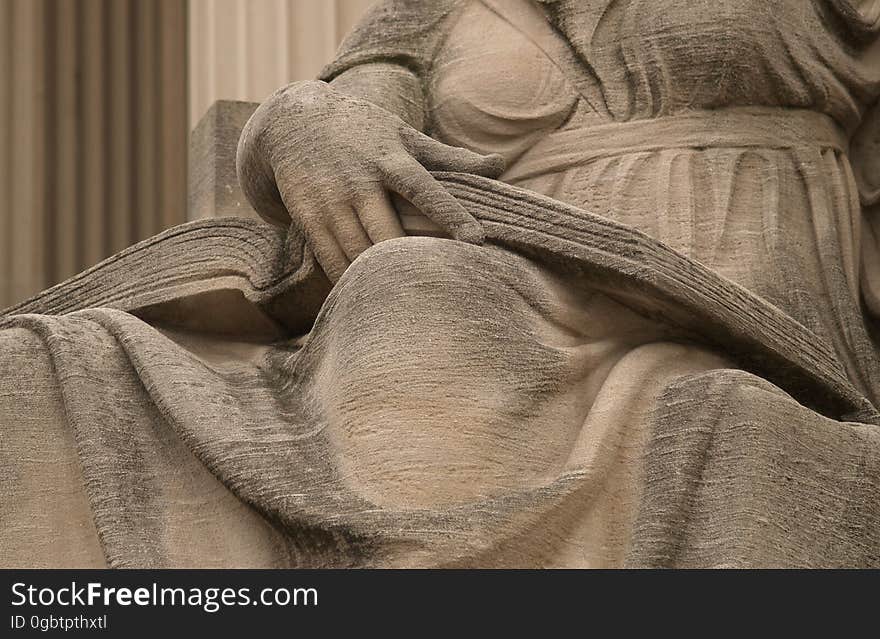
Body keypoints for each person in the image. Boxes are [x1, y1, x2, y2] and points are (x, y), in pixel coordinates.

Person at [2, 0, 879, 567]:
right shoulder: (424, 11)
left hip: (710, 286)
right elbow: (355, 99)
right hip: (479, 269)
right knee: (46, 370)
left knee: (422, 292)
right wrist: (309, 123)